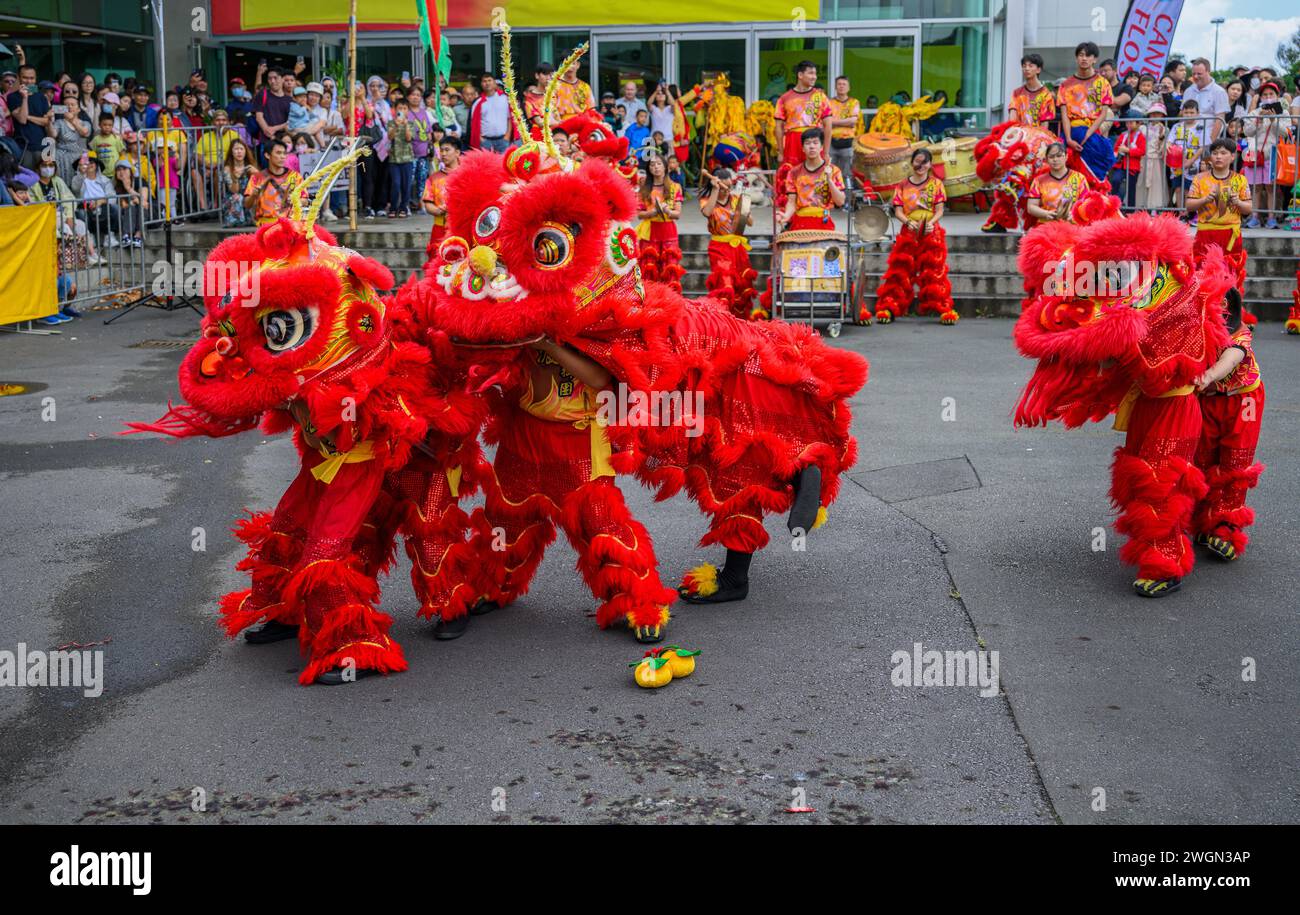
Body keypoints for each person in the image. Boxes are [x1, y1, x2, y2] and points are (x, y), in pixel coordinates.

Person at [1192, 287, 1265, 563]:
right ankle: (1204, 521)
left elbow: (1231, 358)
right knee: (1203, 459)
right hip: (1209, 400)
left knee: (1234, 463)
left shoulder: (1239, 334)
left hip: (1242, 400)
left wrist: (1208, 375)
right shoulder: (1194, 326)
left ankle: (1227, 529)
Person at [874, 147, 956, 325]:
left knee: (935, 271)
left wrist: (931, 223)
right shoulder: (903, 185)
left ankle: (943, 308)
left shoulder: (936, 184)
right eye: (917, 161)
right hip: (909, 230)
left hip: (930, 230)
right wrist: (907, 222)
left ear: (929, 164)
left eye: (924, 162)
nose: (921, 165)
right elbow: (897, 210)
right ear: (912, 163)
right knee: (900, 271)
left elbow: (940, 210)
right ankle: (890, 306)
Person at [1186, 137, 1252, 293]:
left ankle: (1230, 314)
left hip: (1230, 235)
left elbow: (1248, 209)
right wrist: (1206, 199)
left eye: (1223, 153)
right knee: (1203, 276)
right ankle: (1205, 315)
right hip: (1205, 234)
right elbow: (1189, 206)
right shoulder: (1200, 179)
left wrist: (1238, 202)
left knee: (1231, 276)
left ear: (1232, 156)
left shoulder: (1240, 180)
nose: (1219, 157)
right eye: (1215, 153)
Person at [699, 167, 758, 320]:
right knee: (726, 283)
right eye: (723, 187)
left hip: (737, 247)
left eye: (728, 186)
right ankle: (723, 320)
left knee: (741, 284)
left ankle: (740, 321)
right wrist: (715, 190)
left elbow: (750, 222)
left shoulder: (735, 199)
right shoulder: (707, 200)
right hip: (719, 247)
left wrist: (742, 209)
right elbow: (707, 213)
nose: (726, 191)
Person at [1055, 41, 1114, 184]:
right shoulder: (1066, 85)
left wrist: (1088, 134)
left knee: (1094, 179)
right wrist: (1069, 139)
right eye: (1081, 55)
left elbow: (1103, 113)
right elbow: (1064, 115)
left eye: (1089, 55)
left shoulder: (1102, 83)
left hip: (1093, 133)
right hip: (1072, 133)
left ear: (1095, 59)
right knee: (1070, 178)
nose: (1084, 58)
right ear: (1076, 58)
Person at [777, 130, 845, 231]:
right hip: (801, 220)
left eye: (815, 142)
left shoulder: (834, 170)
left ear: (822, 147)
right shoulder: (794, 172)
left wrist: (829, 180)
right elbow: (791, 202)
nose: (812, 146)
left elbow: (840, 202)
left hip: (823, 219)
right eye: (807, 143)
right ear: (803, 148)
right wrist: (786, 216)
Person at [634, 154, 684, 292]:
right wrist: (652, 213)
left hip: (668, 231)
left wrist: (667, 210)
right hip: (650, 232)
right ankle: (651, 305)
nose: (655, 167)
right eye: (652, 165)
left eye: (659, 164)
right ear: (649, 169)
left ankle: (671, 304)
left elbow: (677, 214)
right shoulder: (644, 189)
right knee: (649, 271)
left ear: (665, 166)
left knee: (670, 269)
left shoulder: (675, 187)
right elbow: (639, 214)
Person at [774, 61, 832, 168]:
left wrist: (826, 152)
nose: (814, 77)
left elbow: (828, 126)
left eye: (815, 74)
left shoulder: (821, 97)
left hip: (814, 140)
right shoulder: (784, 98)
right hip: (792, 142)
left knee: (815, 178)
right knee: (791, 176)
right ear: (800, 75)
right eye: (810, 73)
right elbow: (778, 128)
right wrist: (781, 152)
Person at [1243, 81, 1284, 229]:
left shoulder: (1282, 112)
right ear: (1260, 97)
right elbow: (1247, 132)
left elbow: (1285, 133)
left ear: (1277, 96)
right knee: (1256, 187)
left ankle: (1271, 218)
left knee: (1271, 187)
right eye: (1265, 94)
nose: (1268, 97)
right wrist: (1257, 121)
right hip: (1255, 154)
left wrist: (1274, 120)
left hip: (1272, 155)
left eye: (1271, 94)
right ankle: (1255, 217)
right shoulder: (1254, 113)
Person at [1025, 142, 1089, 226]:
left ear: (1066, 157)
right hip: (1046, 227)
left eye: (1059, 156)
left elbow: (1087, 203)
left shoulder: (1079, 178)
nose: (1055, 159)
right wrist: (1046, 214)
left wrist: (1075, 215)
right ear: (1047, 159)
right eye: (1051, 157)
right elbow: (1031, 207)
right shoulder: (1039, 180)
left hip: (1073, 226)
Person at [244, 137, 302, 225]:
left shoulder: (295, 176)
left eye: (284, 153)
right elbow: (247, 205)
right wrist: (253, 195)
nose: (282, 156)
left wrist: (295, 200)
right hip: (265, 226)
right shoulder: (257, 177)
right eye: (278, 153)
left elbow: (305, 199)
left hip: (289, 225)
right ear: (267, 155)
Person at [421, 136, 460, 263]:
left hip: (461, 227)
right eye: (441, 150)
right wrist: (439, 210)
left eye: (447, 150)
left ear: (457, 152)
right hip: (439, 228)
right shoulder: (434, 178)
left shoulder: (467, 174)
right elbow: (428, 204)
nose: (443, 154)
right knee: (436, 265)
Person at [7, 63, 53, 169]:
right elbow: (22, 120)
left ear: (36, 79)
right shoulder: (12, 97)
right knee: (26, 181)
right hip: (23, 147)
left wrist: (28, 116)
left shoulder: (41, 96)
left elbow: (46, 121)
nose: (29, 81)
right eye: (25, 78)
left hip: (41, 145)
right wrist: (24, 98)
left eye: (32, 78)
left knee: (44, 178)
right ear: (19, 78)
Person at [1182, 58, 1229, 151]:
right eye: (1193, 73)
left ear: (1208, 72)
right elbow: (1182, 115)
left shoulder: (1219, 92)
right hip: (1187, 141)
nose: (1195, 76)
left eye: (1199, 74)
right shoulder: (1188, 91)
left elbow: (1219, 120)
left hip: (1207, 142)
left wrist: (1210, 143)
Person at [1168, 99, 1202, 209]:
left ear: (1198, 113)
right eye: (1186, 112)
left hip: (1192, 163)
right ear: (1182, 112)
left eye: (1192, 112)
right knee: (1178, 188)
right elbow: (1170, 141)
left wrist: (1191, 161)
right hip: (1176, 163)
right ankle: (1180, 211)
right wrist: (1167, 145)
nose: (1189, 115)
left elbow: (1202, 147)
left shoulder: (1201, 127)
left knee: (1188, 189)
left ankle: (1188, 212)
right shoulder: (1177, 126)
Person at [827, 76, 861, 186]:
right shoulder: (829, 102)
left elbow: (853, 121)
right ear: (835, 87)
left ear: (849, 87)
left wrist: (834, 122)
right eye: (839, 84)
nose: (841, 86)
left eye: (844, 84)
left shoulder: (854, 102)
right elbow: (826, 121)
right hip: (831, 142)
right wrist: (845, 122)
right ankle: (832, 201)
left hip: (848, 142)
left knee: (847, 174)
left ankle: (846, 202)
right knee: (830, 173)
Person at [1135, 101, 1169, 212]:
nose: (1155, 115)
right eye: (1153, 113)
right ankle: (1141, 206)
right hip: (1143, 158)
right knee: (1141, 182)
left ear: (1162, 115)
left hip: (1156, 158)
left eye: (1158, 113)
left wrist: (1161, 137)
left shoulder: (1165, 129)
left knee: (1156, 183)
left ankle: (1155, 207)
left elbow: (1163, 148)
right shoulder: (1142, 128)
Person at [48, 95, 89, 183]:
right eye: (66, 105)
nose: (69, 107)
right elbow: (53, 135)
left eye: (72, 104)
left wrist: (72, 120)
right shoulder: (59, 122)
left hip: (80, 158)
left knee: (81, 184)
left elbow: (84, 132)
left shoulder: (85, 123)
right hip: (62, 159)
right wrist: (49, 121)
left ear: (78, 109)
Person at [385, 97, 415, 217]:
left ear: (408, 111)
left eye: (404, 108)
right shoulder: (391, 123)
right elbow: (390, 137)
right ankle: (393, 208)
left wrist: (406, 125)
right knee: (396, 184)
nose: (402, 110)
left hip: (407, 159)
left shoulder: (411, 123)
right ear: (395, 110)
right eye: (400, 108)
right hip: (394, 159)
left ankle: (403, 208)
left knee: (406, 185)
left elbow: (409, 138)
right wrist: (397, 126)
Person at [1008, 53, 1056, 126]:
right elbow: (1012, 118)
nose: (1026, 69)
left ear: (1038, 70)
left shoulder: (1046, 94)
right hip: (1019, 134)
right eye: (1024, 66)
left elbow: (1045, 124)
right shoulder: (1017, 93)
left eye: (1030, 66)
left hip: (1037, 135)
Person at [469, 74, 512, 153]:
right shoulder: (478, 102)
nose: (487, 83)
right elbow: (473, 123)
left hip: (503, 140)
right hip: (486, 141)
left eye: (489, 80)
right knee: (486, 165)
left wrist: (507, 136)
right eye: (484, 81)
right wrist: (481, 139)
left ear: (495, 83)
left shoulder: (505, 98)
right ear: (481, 84)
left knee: (503, 164)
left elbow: (510, 119)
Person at [1112, 117, 1145, 209]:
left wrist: (1128, 150)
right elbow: (1116, 147)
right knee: (1115, 180)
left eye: (1131, 123)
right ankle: (1115, 205)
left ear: (1138, 124)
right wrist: (1118, 150)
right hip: (1121, 165)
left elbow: (1142, 151)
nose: (1128, 125)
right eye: (1127, 123)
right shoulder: (1123, 135)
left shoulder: (1141, 136)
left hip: (1133, 166)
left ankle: (1130, 211)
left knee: (1131, 188)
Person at [111, 159, 145, 248]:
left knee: (140, 206)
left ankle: (138, 235)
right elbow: (119, 205)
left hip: (145, 212)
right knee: (131, 206)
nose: (121, 172)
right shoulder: (114, 186)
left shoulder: (139, 181)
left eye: (124, 169)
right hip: (125, 215)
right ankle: (127, 236)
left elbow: (144, 202)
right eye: (118, 170)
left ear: (130, 171)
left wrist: (128, 188)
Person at [221, 137, 253, 227]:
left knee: (254, 196)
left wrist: (257, 173)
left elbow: (262, 184)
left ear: (245, 151)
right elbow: (234, 190)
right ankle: (236, 221)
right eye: (236, 149)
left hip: (248, 197)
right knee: (237, 196)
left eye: (241, 149)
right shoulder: (227, 168)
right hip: (232, 199)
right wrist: (235, 178)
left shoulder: (250, 166)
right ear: (231, 152)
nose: (239, 152)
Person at [523, 62, 552, 126]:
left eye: (550, 75)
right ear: (537, 75)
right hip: (540, 132)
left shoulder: (554, 94)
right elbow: (539, 122)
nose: (548, 78)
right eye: (545, 74)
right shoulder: (529, 98)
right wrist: (558, 123)